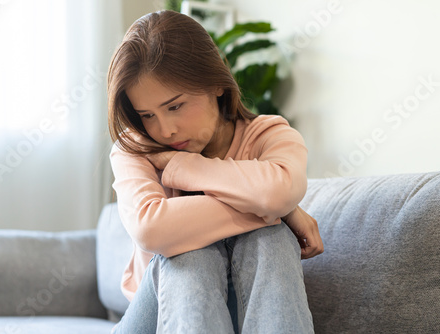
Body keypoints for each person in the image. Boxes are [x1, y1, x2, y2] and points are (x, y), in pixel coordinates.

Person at [107, 10, 324, 334]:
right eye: (147, 115)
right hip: (153, 321)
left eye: (175, 106)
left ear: (215, 84)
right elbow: (151, 229)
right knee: (191, 253)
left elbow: (276, 193)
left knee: (271, 239)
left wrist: (189, 167)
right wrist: (277, 207)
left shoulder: (270, 136)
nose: (164, 130)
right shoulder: (135, 148)